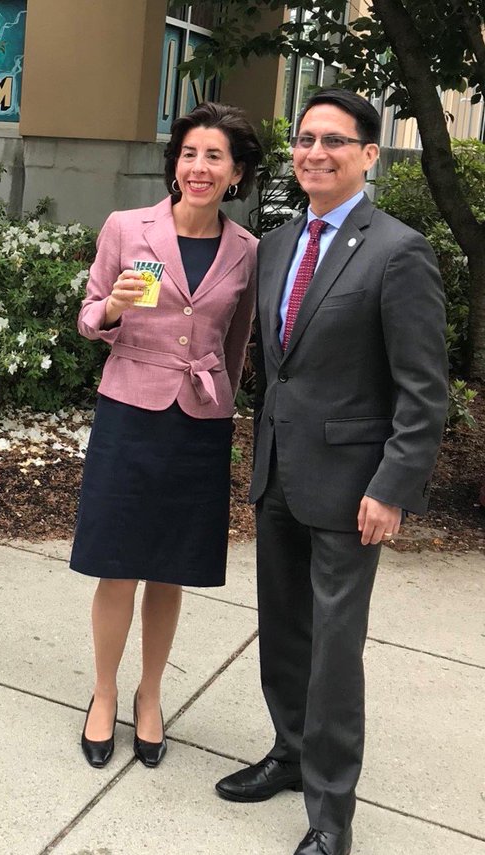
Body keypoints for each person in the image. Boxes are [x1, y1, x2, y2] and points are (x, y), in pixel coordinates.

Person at [215, 89, 447, 855]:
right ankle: (288, 752)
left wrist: (391, 486)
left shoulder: (398, 251)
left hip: (353, 491)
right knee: (282, 632)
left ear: (369, 155)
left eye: (334, 141)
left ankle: (330, 815)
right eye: (305, 138)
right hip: (279, 472)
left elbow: (423, 390)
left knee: (334, 653)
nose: (315, 151)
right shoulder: (277, 242)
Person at [72, 102, 261, 769]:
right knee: (118, 562)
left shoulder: (248, 251)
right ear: (173, 163)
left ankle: (151, 695)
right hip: (130, 408)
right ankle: (103, 693)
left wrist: (224, 402)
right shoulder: (128, 227)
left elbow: (237, 343)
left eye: (214, 156)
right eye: (188, 153)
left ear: (236, 172)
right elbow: (89, 318)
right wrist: (115, 308)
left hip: (198, 420)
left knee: (170, 567)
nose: (199, 167)